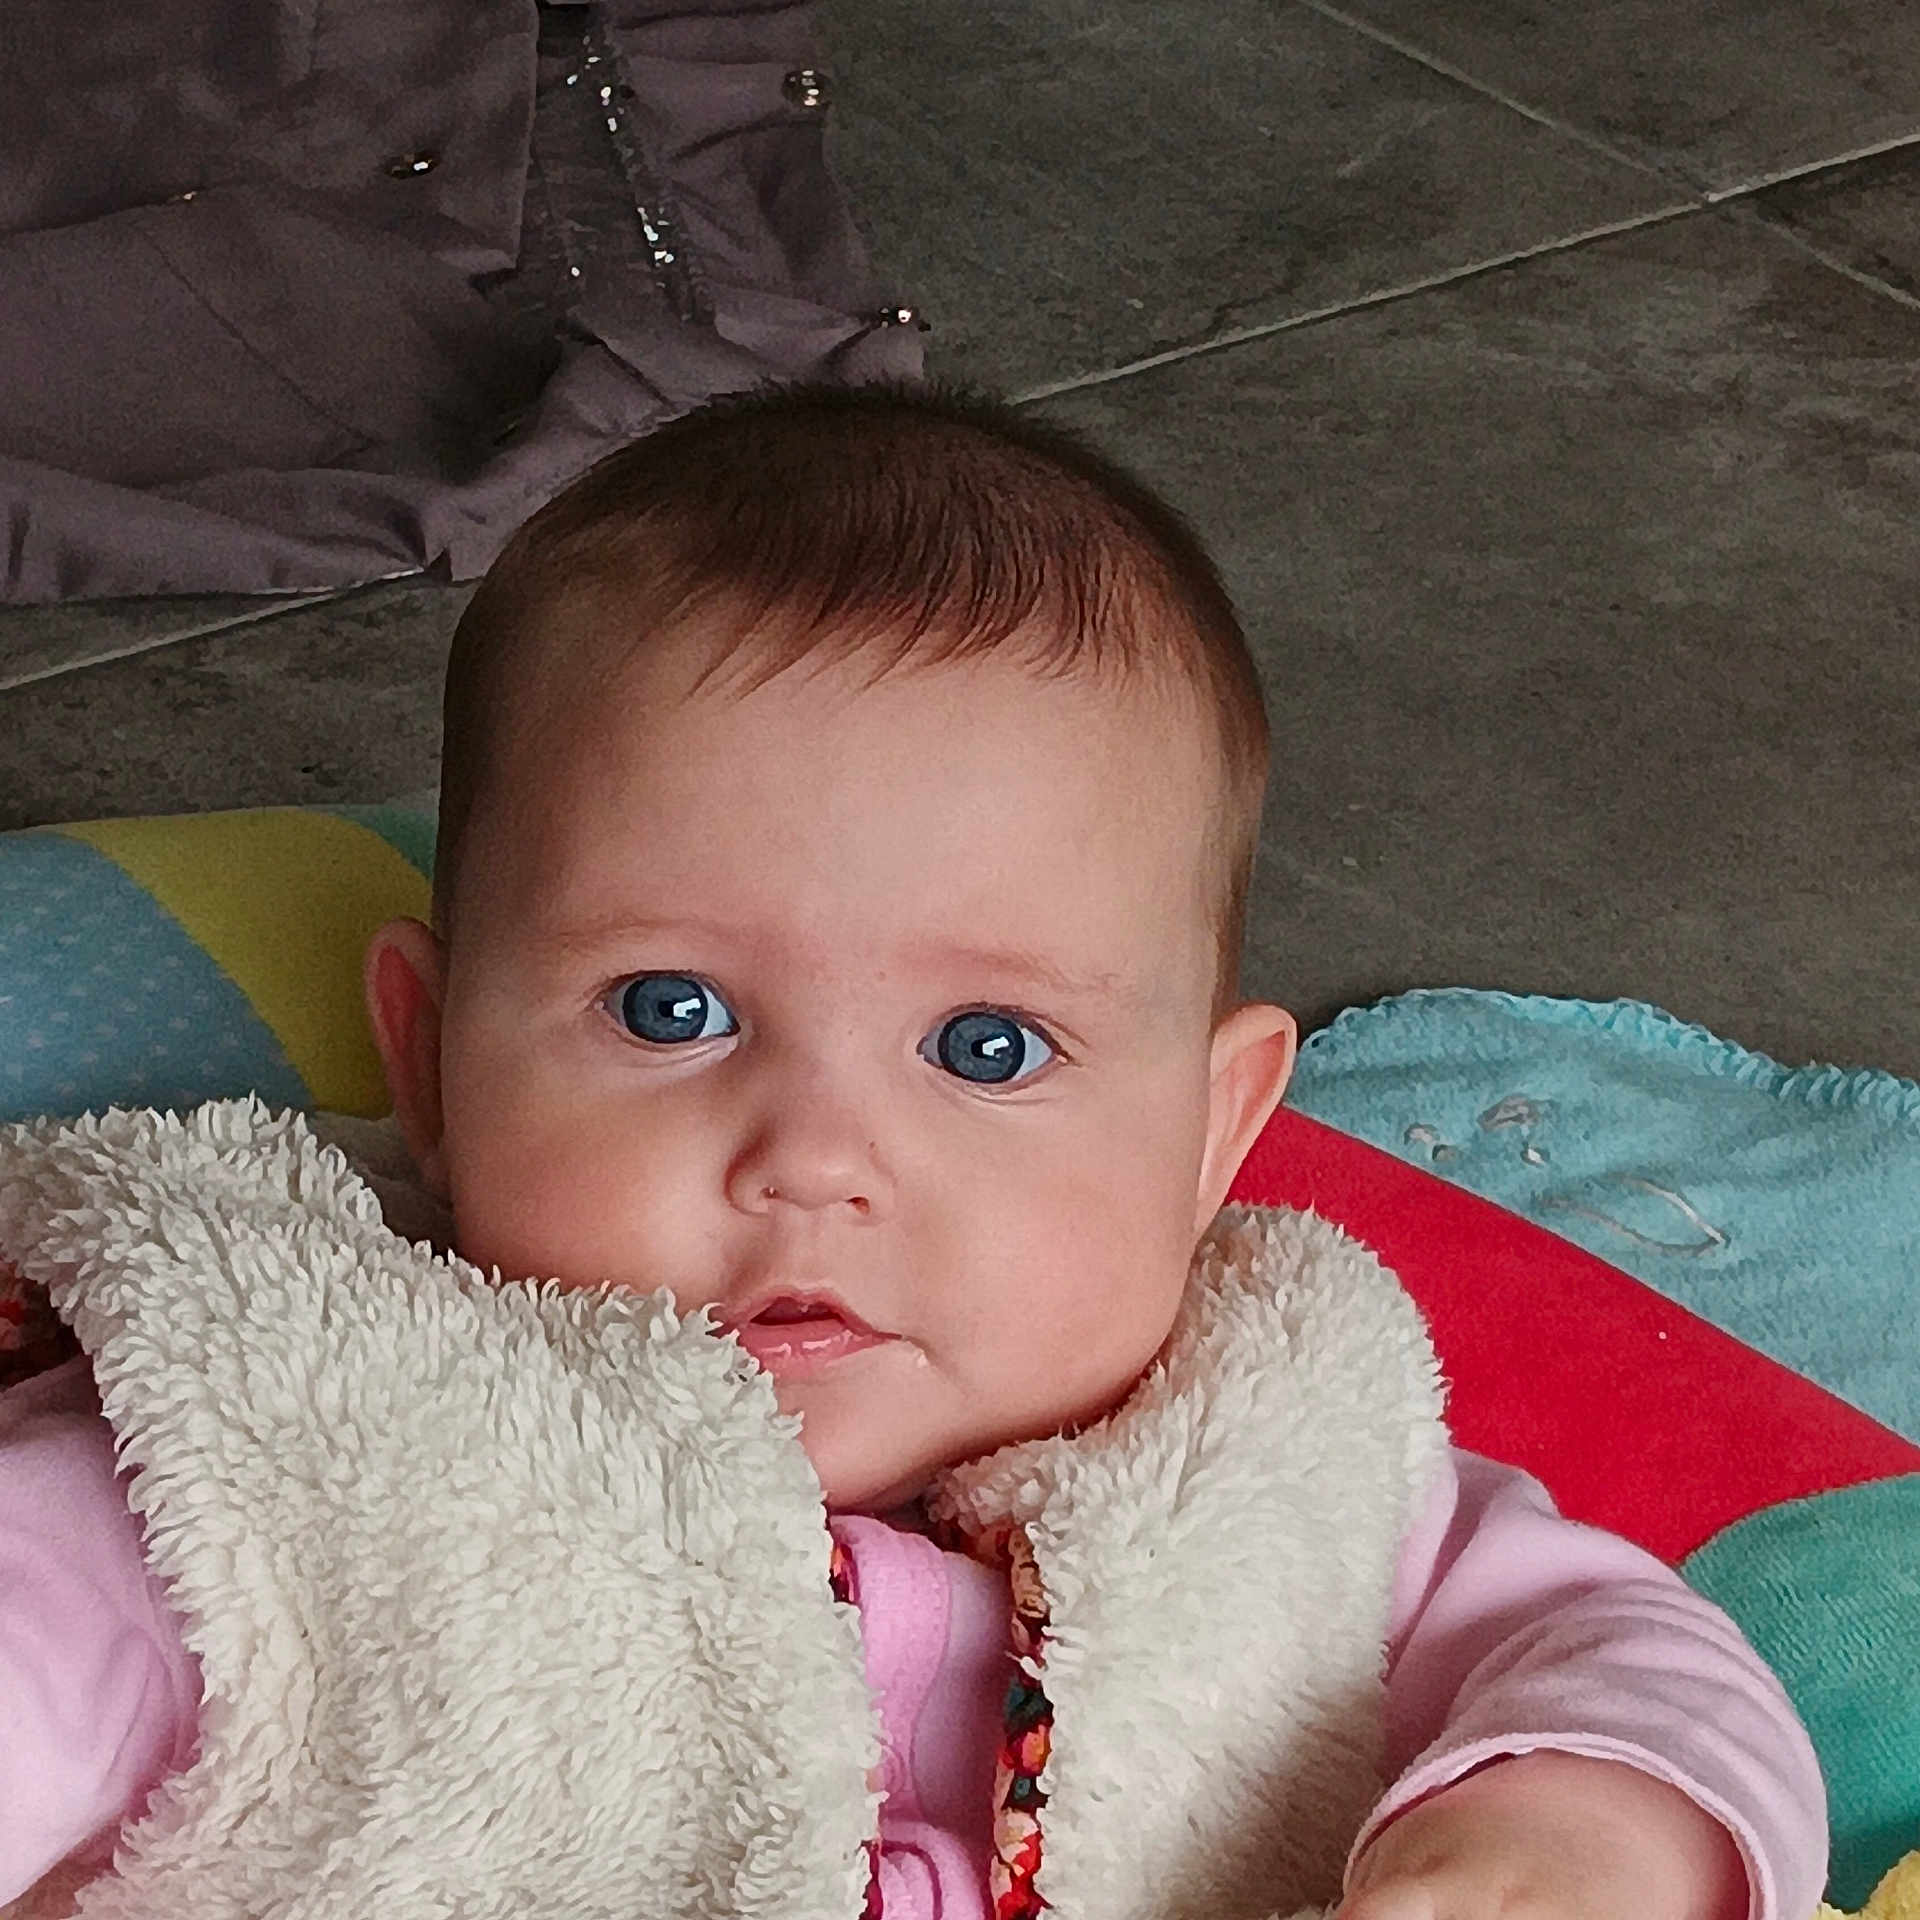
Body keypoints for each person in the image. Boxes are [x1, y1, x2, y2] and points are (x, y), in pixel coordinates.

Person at [0, 382, 1823, 1919]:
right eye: (670, 1012)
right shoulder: (275, 1447)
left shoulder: (1287, 1468)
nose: (816, 1159)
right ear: (436, 1060)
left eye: (988, 1047)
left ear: (1210, 1136)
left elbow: (1635, 1664)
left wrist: (1563, 1838)